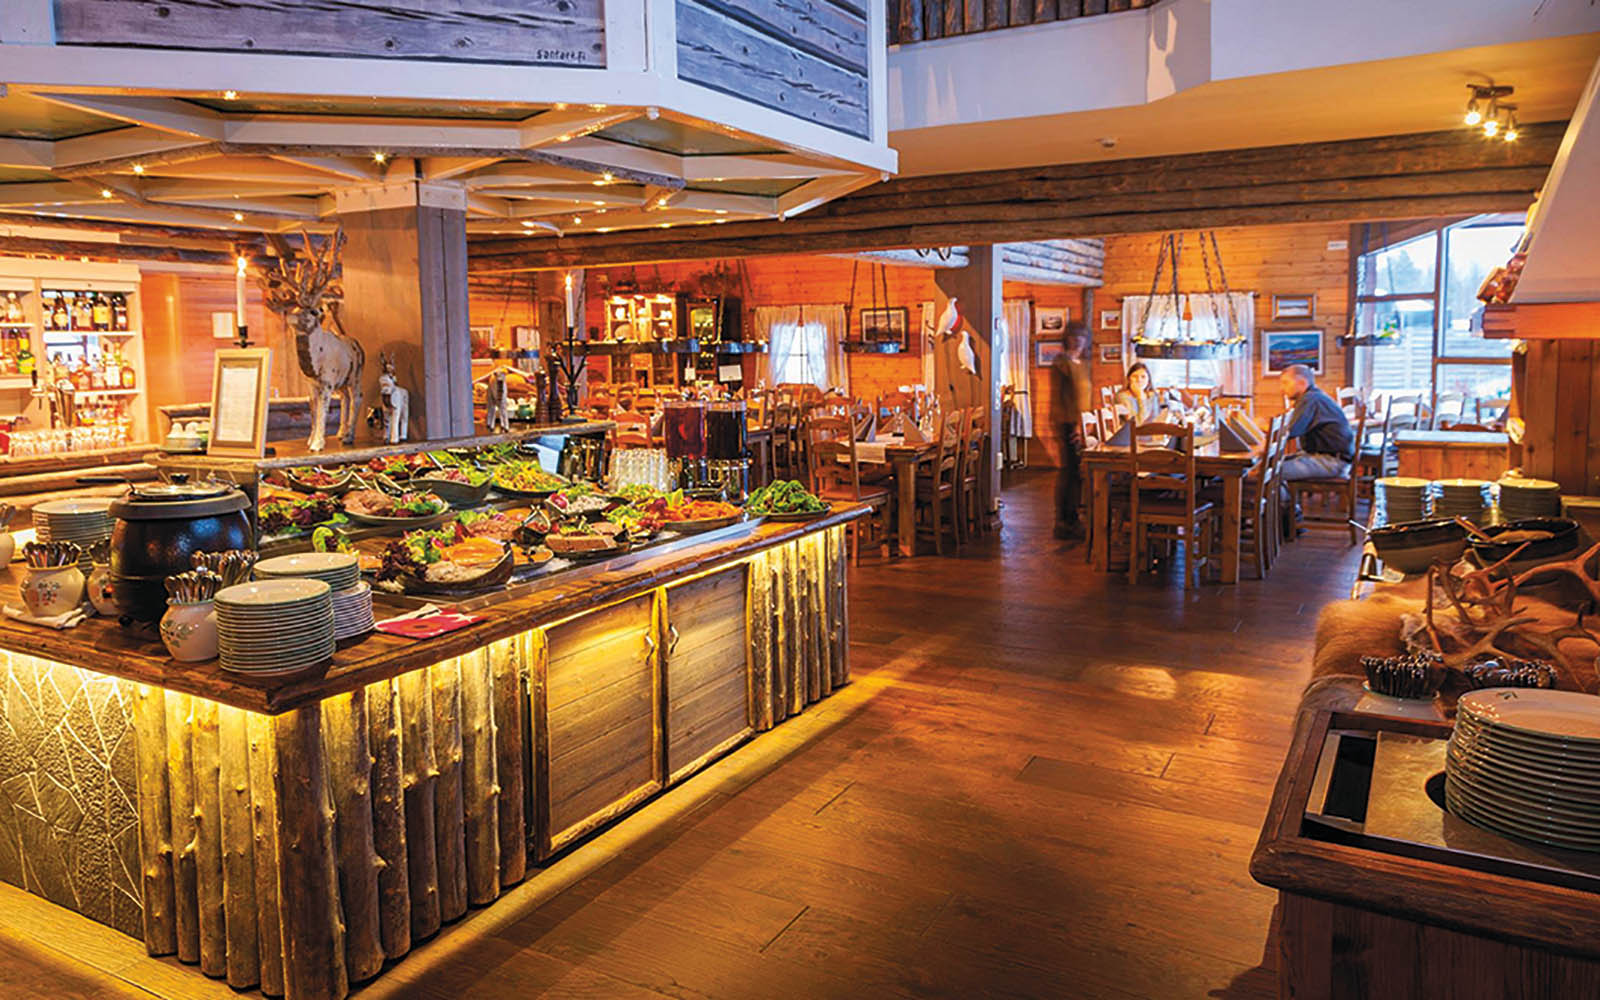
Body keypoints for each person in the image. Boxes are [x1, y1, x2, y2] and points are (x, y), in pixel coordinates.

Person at [1049, 320, 1093, 541]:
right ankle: (1063, 521)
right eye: (1074, 336)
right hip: (1066, 422)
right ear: (1067, 338)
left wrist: (1085, 422)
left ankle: (1073, 517)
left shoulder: (1082, 363)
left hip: (1079, 423)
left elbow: (1085, 398)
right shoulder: (1061, 363)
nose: (1078, 340)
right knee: (1068, 472)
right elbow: (1060, 398)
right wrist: (1074, 425)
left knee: (1076, 474)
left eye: (1082, 336)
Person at [1279, 364, 1355, 480]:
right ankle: (1286, 497)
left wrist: (1264, 428)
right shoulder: (1314, 397)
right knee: (1272, 465)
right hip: (1325, 457)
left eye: (1286, 383)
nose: (1282, 388)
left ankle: (1285, 498)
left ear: (1302, 382)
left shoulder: (1311, 399)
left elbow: (1291, 430)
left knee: (1273, 471)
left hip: (1332, 462)